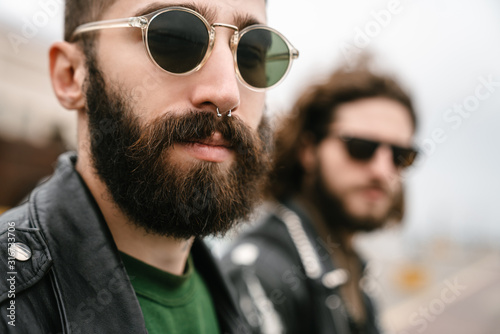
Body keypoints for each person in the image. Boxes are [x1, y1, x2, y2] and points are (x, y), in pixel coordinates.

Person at [0, 0, 299, 333]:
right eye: (175, 39)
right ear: (71, 75)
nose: (227, 93)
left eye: (251, 54)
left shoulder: (248, 304)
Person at [222, 60, 419, 334]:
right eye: (361, 148)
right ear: (308, 150)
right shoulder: (261, 273)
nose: (382, 171)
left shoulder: (353, 270)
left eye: (400, 156)